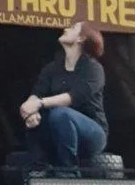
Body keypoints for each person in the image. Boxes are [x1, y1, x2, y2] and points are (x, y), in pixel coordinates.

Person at [20, 20, 108, 171]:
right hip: (58, 130)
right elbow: (36, 94)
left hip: (92, 134)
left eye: (73, 28)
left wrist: (40, 103)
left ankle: (68, 171)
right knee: (35, 118)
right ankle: (39, 169)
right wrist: (27, 109)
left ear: (81, 39)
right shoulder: (52, 68)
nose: (66, 29)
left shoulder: (93, 69)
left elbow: (73, 97)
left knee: (60, 114)